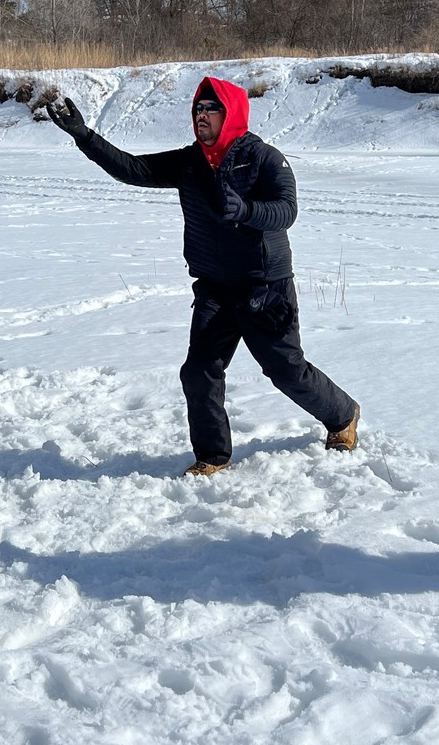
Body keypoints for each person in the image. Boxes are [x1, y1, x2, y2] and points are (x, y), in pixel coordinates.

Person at [46, 78, 360, 476]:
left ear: (231, 114)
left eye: (211, 108)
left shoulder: (264, 158)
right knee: (198, 372)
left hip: (264, 288)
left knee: (286, 370)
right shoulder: (190, 162)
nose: (201, 115)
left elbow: (287, 210)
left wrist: (247, 210)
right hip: (214, 289)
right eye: (197, 108)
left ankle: (343, 415)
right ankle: (213, 456)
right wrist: (85, 137)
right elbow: (133, 168)